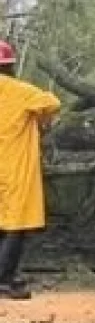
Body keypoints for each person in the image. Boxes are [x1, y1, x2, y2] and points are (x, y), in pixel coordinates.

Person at [0, 40, 61, 298]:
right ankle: (4, 280)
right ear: (11, 65)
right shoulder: (20, 90)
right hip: (15, 166)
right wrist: (41, 118)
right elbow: (52, 103)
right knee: (15, 225)